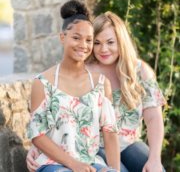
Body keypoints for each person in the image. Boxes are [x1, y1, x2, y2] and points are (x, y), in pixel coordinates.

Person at [27, 10, 166, 172]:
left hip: (130, 143)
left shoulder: (139, 71)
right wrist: (37, 147)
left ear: (121, 41)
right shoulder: (84, 71)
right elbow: (58, 111)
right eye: (97, 43)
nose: (103, 49)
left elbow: (154, 119)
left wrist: (155, 158)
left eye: (110, 42)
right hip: (94, 147)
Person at [27, 0, 120, 172]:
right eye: (76, 38)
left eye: (89, 40)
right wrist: (74, 164)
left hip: (91, 163)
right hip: (52, 164)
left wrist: (113, 169)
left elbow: (110, 133)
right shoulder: (42, 83)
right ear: (62, 37)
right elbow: (37, 135)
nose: (83, 45)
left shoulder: (101, 84)